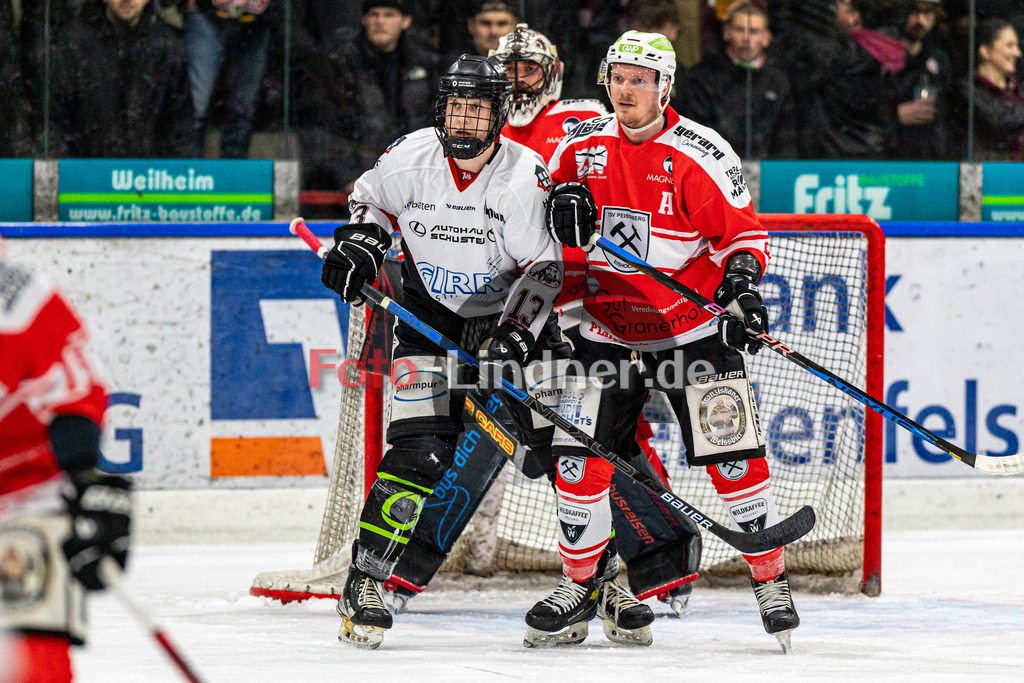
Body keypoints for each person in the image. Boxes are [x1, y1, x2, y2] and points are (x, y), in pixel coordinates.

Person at [531, 30, 800, 652]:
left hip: (690, 329)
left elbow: (742, 239)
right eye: (618, 78)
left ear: (665, 87)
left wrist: (740, 291)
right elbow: (540, 220)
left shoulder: (699, 153)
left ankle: (770, 580)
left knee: (732, 454)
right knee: (577, 462)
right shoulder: (579, 149)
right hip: (603, 329)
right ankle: (581, 584)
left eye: (640, 80)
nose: (626, 89)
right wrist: (555, 213)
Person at [318, 53, 570, 650]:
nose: (463, 120)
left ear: (499, 115)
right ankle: (366, 580)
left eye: (477, 109)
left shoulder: (524, 176)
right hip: (428, 319)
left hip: (511, 320)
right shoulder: (409, 156)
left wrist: (514, 336)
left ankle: (597, 581)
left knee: (565, 452)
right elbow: (371, 203)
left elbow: (545, 267)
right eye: (456, 107)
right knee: (419, 453)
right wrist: (362, 243)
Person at [0, 234, 133, 682]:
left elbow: (69, 398)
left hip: (22, 497)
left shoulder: (19, 299)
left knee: (34, 666)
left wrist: (87, 477)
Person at [48, 0, 193, 158]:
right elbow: (53, 115)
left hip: (147, 170)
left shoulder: (166, 46)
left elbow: (179, 123)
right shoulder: (75, 42)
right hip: (85, 167)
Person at [326, 0, 441, 195]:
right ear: (364, 19)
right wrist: (348, 178)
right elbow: (329, 127)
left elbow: (435, 120)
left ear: (405, 21)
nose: (380, 21)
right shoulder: (341, 63)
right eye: (374, 14)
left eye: (389, 15)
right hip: (360, 180)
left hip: (416, 177)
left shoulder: (426, 64)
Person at [683, 1, 797, 159]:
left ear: (766, 38)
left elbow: (785, 142)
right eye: (739, 29)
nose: (746, 38)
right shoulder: (703, 77)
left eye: (754, 31)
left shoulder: (778, 82)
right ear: (726, 32)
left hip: (766, 170)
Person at [816, 0, 907, 158]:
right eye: (850, 9)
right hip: (847, 151)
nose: (855, 16)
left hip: (871, 150)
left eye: (856, 9)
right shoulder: (832, 56)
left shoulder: (880, 50)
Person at [185, 0, 273, 158]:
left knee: (243, 106)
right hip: (206, 14)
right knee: (197, 105)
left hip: (258, 23)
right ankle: (190, 168)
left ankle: (233, 169)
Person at [956, 18, 1024, 160]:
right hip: (985, 170)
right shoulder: (966, 90)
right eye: (1010, 46)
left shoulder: (1019, 91)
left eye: (1017, 46)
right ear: (986, 51)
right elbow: (998, 120)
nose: (1017, 53)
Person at [894, 0, 952, 159]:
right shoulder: (881, 56)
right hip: (889, 155)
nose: (920, 20)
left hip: (930, 154)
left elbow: (948, 112)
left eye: (927, 13)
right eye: (914, 12)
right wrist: (895, 115)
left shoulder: (939, 60)